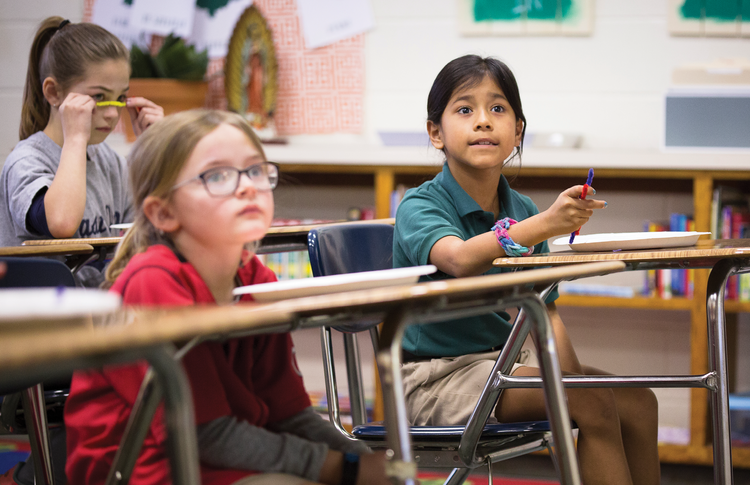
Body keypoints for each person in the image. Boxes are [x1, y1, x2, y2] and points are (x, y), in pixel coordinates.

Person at [64, 110, 389, 485]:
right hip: (150, 469)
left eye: (255, 170)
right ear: (163, 212)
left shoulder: (257, 279)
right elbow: (203, 433)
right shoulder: (151, 281)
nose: (248, 186)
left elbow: (290, 415)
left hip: (219, 457)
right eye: (217, 176)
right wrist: (343, 470)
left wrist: (364, 462)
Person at [393, 55, 659, 485]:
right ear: (435, 133)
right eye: (465, 109)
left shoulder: (522, 209)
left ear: (517, 131)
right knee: (590, 401)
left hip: (502, 368)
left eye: (498, 109)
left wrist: (570, 378)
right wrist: (545, 224)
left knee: (638, 402)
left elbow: (544, 311)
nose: (483, 121)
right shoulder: (420, 205)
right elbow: (459, 259)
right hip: (435, 381)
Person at [0, 16, 163, 287]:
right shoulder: (27, 160)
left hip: (102, 316)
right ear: (53, 93)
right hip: (43, 322)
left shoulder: (109, 162)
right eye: (98, 96)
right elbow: (62, 223)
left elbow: (150, 231)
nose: (112, 113)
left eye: (121, 97)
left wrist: (156, 150)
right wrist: (75, 137)